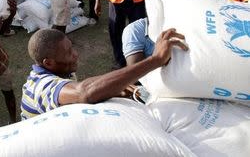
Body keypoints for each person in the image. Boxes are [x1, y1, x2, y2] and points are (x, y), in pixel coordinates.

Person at [21, 28, 187, 120]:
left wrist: (112, 89)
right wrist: (156, 59)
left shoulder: (60, 72)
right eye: (68, 52)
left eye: (72, 48)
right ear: (48, 63)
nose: (75, 54)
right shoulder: (41, 87)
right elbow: (84, 92)